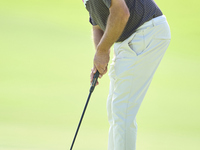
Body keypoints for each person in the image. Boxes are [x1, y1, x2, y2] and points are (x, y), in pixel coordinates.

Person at [82, 0, 171, 149]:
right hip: (130, 39)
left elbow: (121, 13)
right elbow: (97, 24)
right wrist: (99, 56)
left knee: (122, 110)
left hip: (146, 32)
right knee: (114, 109)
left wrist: (102, 52)